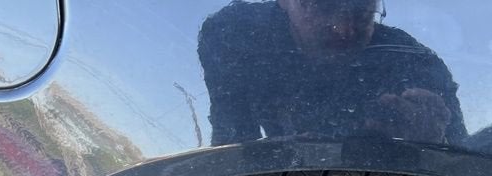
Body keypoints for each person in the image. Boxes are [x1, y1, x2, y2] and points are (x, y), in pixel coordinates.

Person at [198, 0, 466, 146]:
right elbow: (230, 142)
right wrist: (277, 153)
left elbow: (463, 164)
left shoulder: (416, 64)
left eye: (362, 11)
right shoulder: (234, 35)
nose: (343, 29)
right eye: (322, 5)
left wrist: (433, 144)